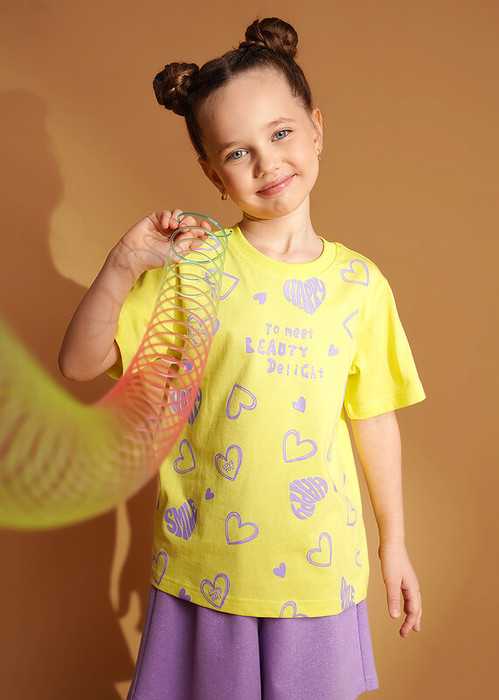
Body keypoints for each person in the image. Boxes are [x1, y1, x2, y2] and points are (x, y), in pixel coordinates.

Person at [59, 17, 425, 700]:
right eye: (237, 152)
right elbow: (79, 363)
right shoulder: (194, 268)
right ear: (211, 173)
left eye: (280, 134)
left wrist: (393, 544)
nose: (267, 164)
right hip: (206, 568)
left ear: (316, 128)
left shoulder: (361, 285)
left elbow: (373, 419)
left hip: (318, 571)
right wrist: (124, 262)